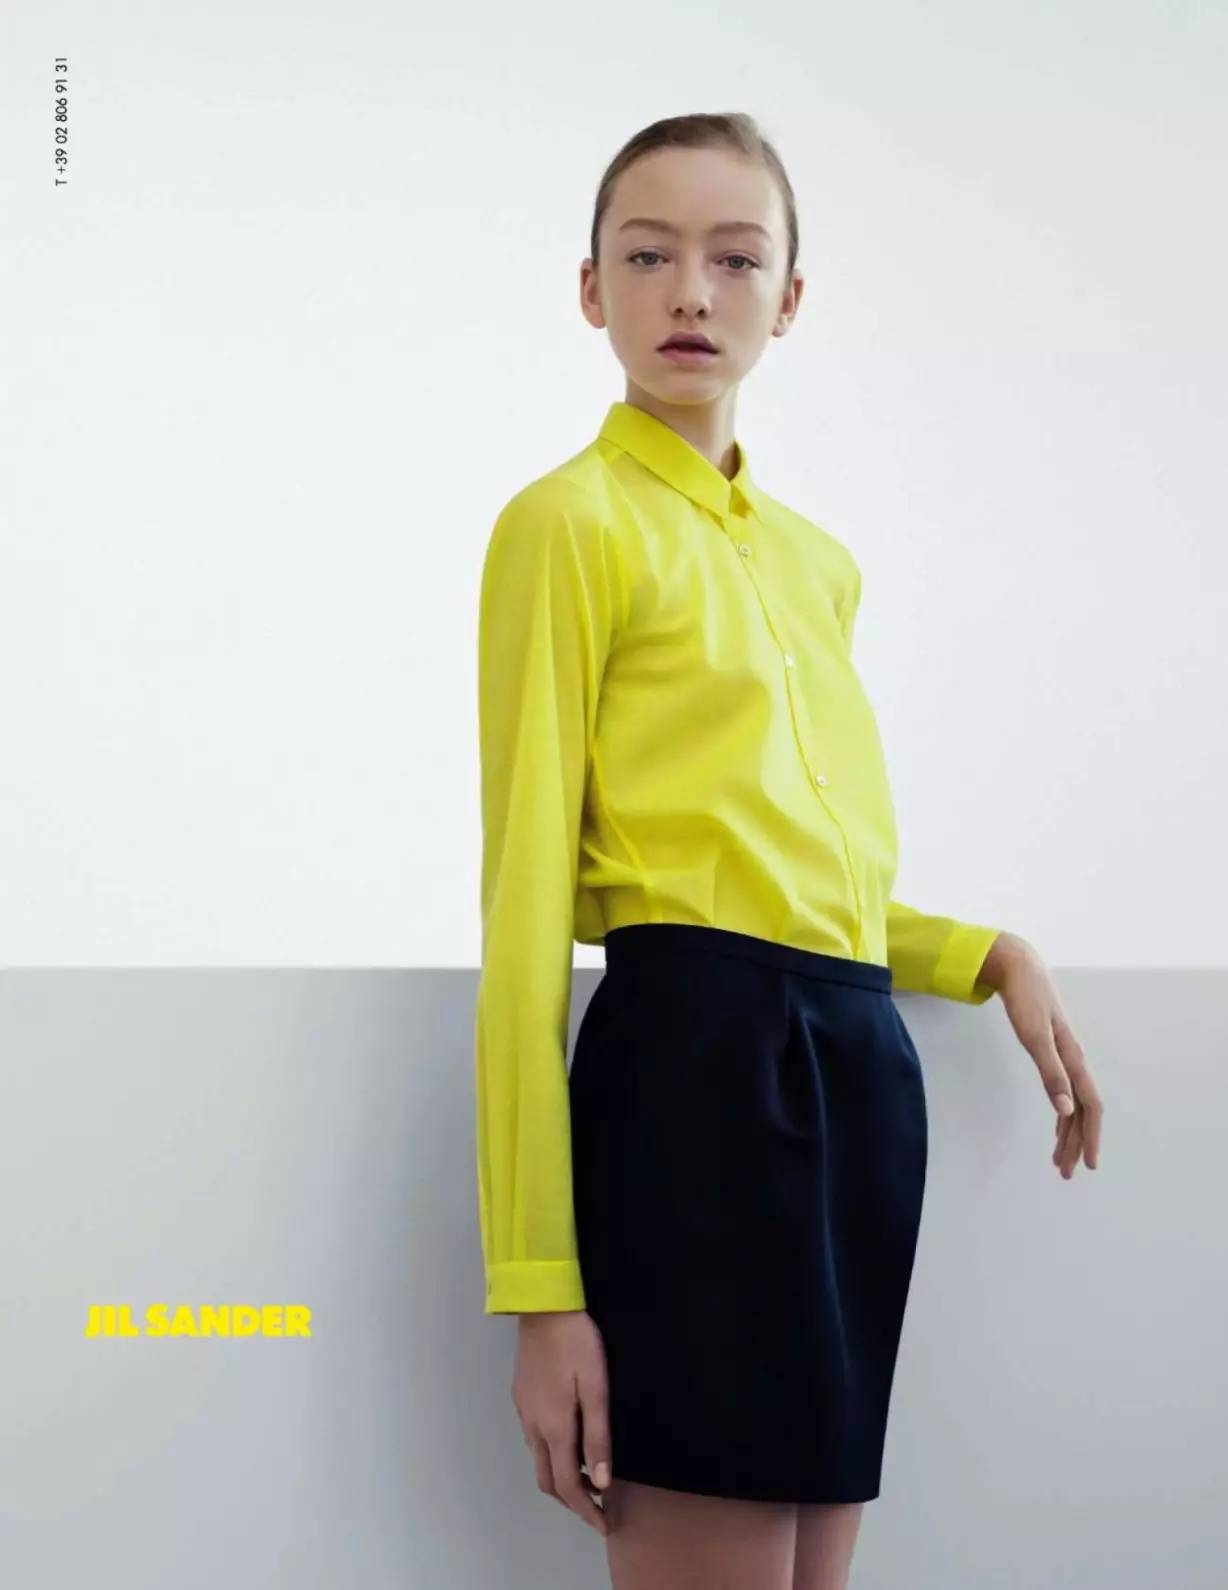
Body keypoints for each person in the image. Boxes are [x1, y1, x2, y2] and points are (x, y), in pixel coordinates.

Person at [473, 111, 1104, 1590]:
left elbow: (802, 884)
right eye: (648, 256)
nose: (692, 291)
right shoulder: (566, 525)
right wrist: (540, 1291)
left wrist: (983, 952)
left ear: (790, 299)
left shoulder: (820, 566)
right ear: (591, 290)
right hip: (695, 1080)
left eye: (736, 258)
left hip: (855, 1080)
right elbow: (526, 911)